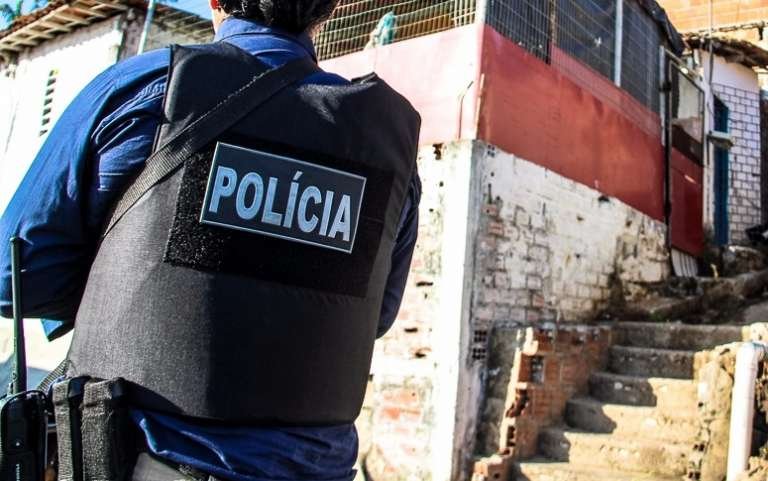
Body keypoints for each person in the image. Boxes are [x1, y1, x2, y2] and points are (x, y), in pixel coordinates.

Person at [0, 0, 421, 479]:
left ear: (215, 1)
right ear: (329, 8)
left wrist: (133, 287)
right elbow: (375, 315)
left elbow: (16, 275)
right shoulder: (391, 139)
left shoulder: (148, 87)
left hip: (141, 458)